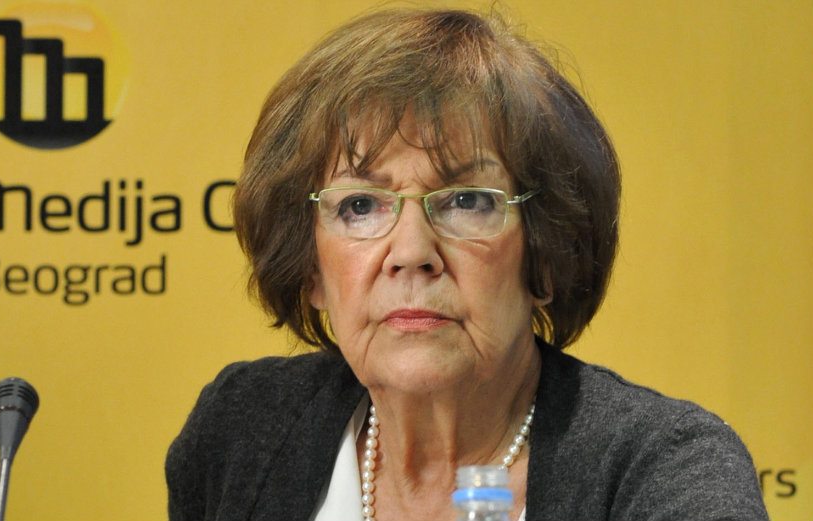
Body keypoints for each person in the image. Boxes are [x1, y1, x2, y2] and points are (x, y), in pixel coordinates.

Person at [166, 7, 768, 521]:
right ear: (311, 267)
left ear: (546, 253)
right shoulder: (241, 430)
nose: (411, 253)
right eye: (359, 206)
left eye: (467, 202)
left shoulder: (665, 468)